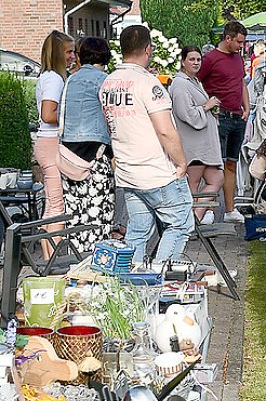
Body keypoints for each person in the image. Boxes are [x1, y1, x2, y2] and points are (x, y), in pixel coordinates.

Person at [101, 25, 195, 268]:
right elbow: (165, 130)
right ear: (148, 49)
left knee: (139, 230)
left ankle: (129, 285)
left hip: (128, 172)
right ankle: (160, 277)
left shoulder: (108, 84)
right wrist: (182, 162)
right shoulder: (148, 83)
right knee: (180, 225)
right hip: (157, 172)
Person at [60, 36, 116, 243]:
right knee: (99, 212)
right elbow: (112, 117)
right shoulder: (105, 81)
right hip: (96, 155)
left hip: (69, 155)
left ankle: (76, 259)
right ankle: (96, 261)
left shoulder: (70, 80)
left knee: (75, 212)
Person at [198, 21, 248, 223]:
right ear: (228, 38)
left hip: (237, 116)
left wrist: (247, 106)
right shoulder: (210, 59)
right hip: (220, 117)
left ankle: (229, 209)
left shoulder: (238, 58)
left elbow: (241, 82)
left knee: (231, 164)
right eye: (239, 42)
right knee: (213, 166)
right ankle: (209, 209)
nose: (241, 46)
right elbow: (197, 82)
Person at [170, 45, 225, 223]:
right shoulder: (180, 84)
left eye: (198, 59)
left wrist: (210, 111)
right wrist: (206, 107)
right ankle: (187, 222)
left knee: (217, 179)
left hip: (204, 146)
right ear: (183, 62)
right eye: (191, 59)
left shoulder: (194, 81)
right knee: (191, 185)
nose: (195, 63)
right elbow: (186, 113)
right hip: (193, 146)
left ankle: (195, 217)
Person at [32, 30, 73, 240]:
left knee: (51, 202)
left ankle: (48, 256)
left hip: (45, 143)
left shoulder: (47, 77)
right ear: (58, 54)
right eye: (68, 52)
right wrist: (71, 117)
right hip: (50, 142)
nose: (72, 57)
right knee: (57, 204)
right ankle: (54, 256)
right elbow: (48, 114)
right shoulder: (55, 79)